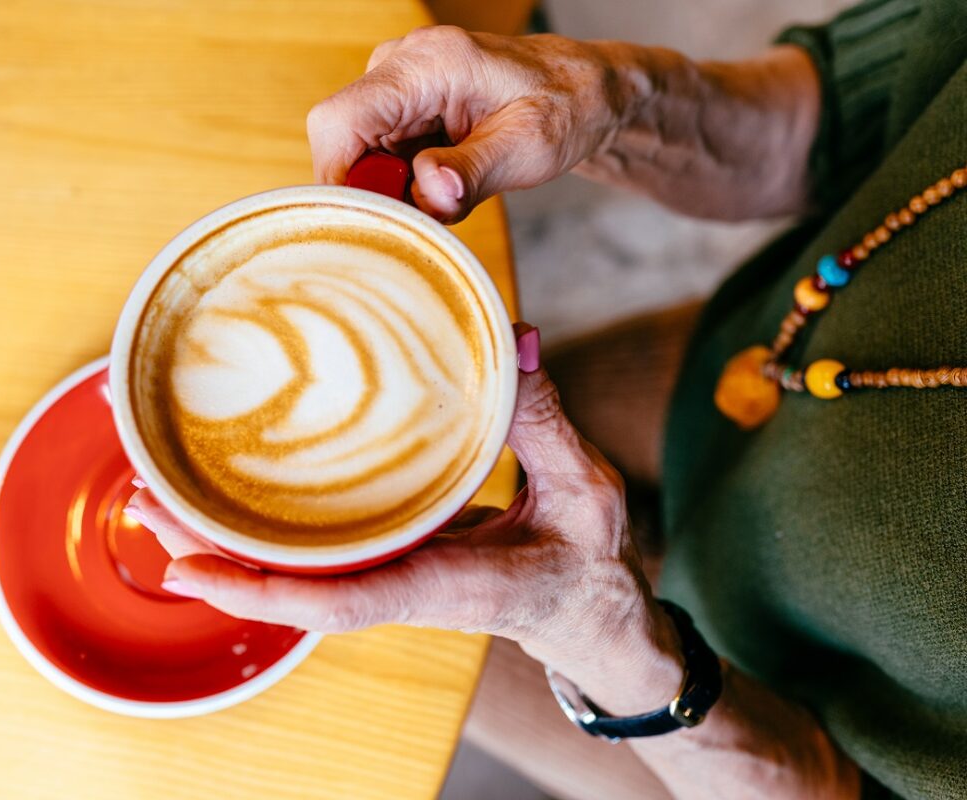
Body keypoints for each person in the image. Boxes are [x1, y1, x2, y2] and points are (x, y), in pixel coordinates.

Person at [123, 0, 967, 795]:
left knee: (377, 660)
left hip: (752, 738)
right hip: (758, 367)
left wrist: (608, 649)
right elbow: (858, 115)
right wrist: (613, 96)